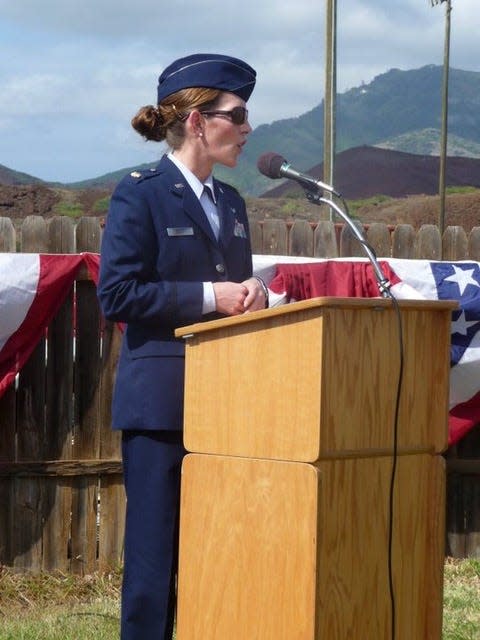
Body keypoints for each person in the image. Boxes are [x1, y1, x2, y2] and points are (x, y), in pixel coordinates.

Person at [97, 53, 267, 640]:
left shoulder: (235, 205)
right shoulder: (139, 193)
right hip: (162, 406)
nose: (247, 129)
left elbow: (230, 292)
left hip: (226, 403)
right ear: (198, 122)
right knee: (153, 565)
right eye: (237, 115)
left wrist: (252, 295)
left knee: (215, 555)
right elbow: (117, 294)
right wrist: (208, 297)